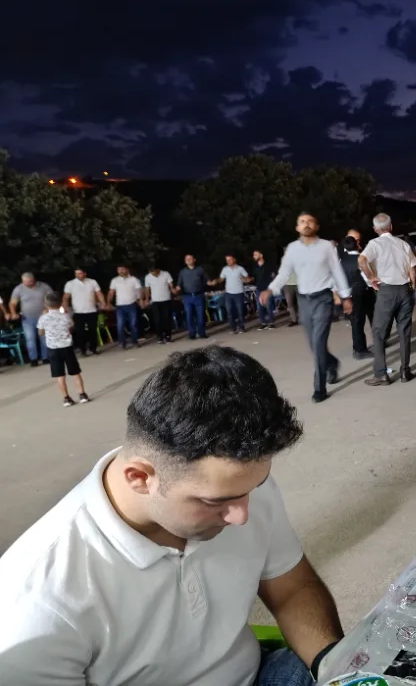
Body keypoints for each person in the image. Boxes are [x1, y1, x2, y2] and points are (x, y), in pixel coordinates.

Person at [0, 346, 345, 685]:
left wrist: (337, 672)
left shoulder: (240, 487)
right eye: (214, 501)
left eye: (255, 486)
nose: (242, 515)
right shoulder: (36, 604)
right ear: (139, 478)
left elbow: (292, 589)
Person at [261, 212, 353, 404]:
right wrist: (270, 290)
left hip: (323, 299)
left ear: (317, 226)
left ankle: (319, 388)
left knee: (318, 343)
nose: (306, 224)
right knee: (313, 345)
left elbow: (337, 271)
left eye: (310, 221)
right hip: (304, 301)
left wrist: (345, 296)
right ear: (297, 228)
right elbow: (284, 273)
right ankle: (331, 363)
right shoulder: (292, 249)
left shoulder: (326, 246)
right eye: (302, 221)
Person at [358, 213, 416, 385]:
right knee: (404, 331)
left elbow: (361, 260)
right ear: (391, 227)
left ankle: (381, 374)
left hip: (387, 291)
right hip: (405, 290)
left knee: (379, 333)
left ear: (375, 229)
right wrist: (412, 289)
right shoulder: (403, 244)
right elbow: (412, 269)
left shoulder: (374, 244)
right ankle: (405, 371)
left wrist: (371, 277)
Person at [36, 292, 90, 406]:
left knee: (59, 375)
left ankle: (66, 398)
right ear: (60, 303)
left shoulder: (43, 318)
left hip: (53, 348)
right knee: (75, 372)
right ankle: (82, 394)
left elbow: (40, 333)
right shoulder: (65, 316)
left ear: (46, 304)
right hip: (66, 347)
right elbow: (71, 326)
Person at [340, 236, 373, 359]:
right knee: (372, 318)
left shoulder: (341, 261)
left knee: (356, 322)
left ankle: (358, 348)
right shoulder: (361, 259)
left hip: (348, 293)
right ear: (357, 245)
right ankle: (362, 349)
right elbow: (368, 278)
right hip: (362, 291)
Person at [10, 272, 54, 366]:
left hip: (43, 316)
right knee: (30, 338)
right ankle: (33, 359)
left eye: (28, 282)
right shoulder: (19, 288)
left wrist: (48, 308)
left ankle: (45, 357)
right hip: (27, 318)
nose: (26, 284)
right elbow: (13, 303)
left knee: (44, 337)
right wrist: (13, 312)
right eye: (24, 282)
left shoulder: (44, 286)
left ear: (33, 280)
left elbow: (52, 298)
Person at [63, 268, 104, 356]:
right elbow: (66, 297)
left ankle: (93, 348)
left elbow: (99, 293)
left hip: (92, 310)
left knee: (93, 331)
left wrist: (103, 303)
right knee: (80, 332)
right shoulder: (70, 284)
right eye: (76, 274)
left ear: (85, 273)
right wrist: (65, 308)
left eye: (80, 273)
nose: (78, 275)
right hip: (78, 312)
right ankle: (82, 350)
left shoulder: (92, 282)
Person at [208, 255, 250, 334]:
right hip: (229, 293)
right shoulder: (225, 269)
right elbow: (221, 279)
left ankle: (241, 327)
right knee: (229, 311)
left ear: (234, 260)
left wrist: (245, 279)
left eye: (230, 260)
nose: (228, 262)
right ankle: (233, 328)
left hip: (239, 292)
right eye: (227, 260)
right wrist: (216, 281)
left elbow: (247, 279)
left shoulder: (240, 268)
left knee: (240, 311)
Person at [107, 265, 143, 349]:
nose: (120, 271)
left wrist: (140, 300)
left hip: (132, 304)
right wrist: (108, 302)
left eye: (122, 269)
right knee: (120, 325)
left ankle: (134, 341)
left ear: (127, 269)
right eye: (119, 270)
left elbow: (139, 290)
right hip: (120, 306)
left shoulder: (134, 279)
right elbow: (111, 292)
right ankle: (122, 343)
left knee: (133, 324)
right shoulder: (115, 280)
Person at [176, 254, 209, 340]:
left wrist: (211, 282)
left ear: (194, 260)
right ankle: (192, 333)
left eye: (190, 258)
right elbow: (179, 284)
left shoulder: (200, 269)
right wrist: (177, 288)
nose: (188, 260)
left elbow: (207, 280)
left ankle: (202, 333)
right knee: (189, 315)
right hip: (187, 296)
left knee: (200, 315)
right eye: (186, 259)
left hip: (199, 295)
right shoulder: (182, 272)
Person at [143, 266, 175, 344]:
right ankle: (159, 336)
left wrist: (173, 289)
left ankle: (168, 336)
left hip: (166, 299)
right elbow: (147, 289)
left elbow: (170, 284)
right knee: (157, 319)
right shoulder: (148, 277)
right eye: (151, 272)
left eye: (153, 271)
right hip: (155, 301)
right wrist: (147, 299)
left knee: (167, 319)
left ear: (158, 269)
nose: (152, 273)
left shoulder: (166, 274)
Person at [251, 250, 277, 330]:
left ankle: (272, 323)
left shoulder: (268, 265)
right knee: (259, 307)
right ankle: (263, 323)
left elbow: (274, 275)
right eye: (254, 255)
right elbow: (254, 277)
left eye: (256, 254)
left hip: (267, 288)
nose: (254, 256)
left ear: (261, 255)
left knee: (268, 306)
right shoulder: (254, 266)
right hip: (259, 288)